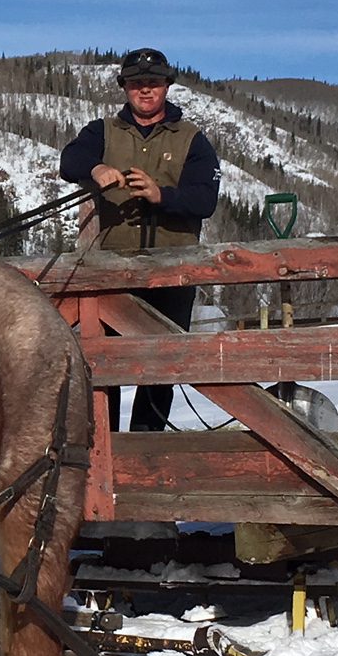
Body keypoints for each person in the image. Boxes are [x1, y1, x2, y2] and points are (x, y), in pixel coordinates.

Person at [59, 47, 222, 431]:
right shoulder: (103, 131)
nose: (145, 91)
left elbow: (205, 199)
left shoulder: (192, 139)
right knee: (104, 362)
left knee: (160, 367)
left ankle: (148, 447)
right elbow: (69, 161)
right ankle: (105, 445)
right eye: (136, 85)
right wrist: (96, 167)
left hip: (173, 272)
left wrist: (161, 195)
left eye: (152, 83)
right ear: (125, 88)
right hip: (113, 273)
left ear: (167, 86)